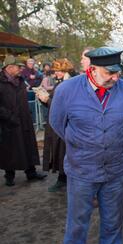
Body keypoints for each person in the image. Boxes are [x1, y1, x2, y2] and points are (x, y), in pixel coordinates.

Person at [50, 47, 123, 244]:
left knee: (114, 217)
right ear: (92, 69)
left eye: (118, 72)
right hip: (82, 169)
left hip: (115, 168)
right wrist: (84, 145)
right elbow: (57, 124)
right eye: (110, 73)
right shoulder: (67, 90)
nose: (115, 78)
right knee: (78, 220)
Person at [0, 55, 47, 186]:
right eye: (18, 67)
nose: (21, 69)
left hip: (24, 120)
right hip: (8, 123)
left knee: (28, 147)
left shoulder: (20, 80)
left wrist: (28, 113)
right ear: (9, 68)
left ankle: (31, 173)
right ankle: (9, 176)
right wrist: (9, 117)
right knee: (9, 150)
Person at [37, 59, 74, 192]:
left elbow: (65, 106)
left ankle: (64, 180)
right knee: (60, 152)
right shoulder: (61, 83)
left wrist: (47, 99)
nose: (56, 73)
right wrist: (43, 99)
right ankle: (62, 179)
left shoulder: (68, 84)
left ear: (66, 71)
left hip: (64, 124)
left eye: (59, 71)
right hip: (57, 123)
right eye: (55, 70)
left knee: (64, 152)